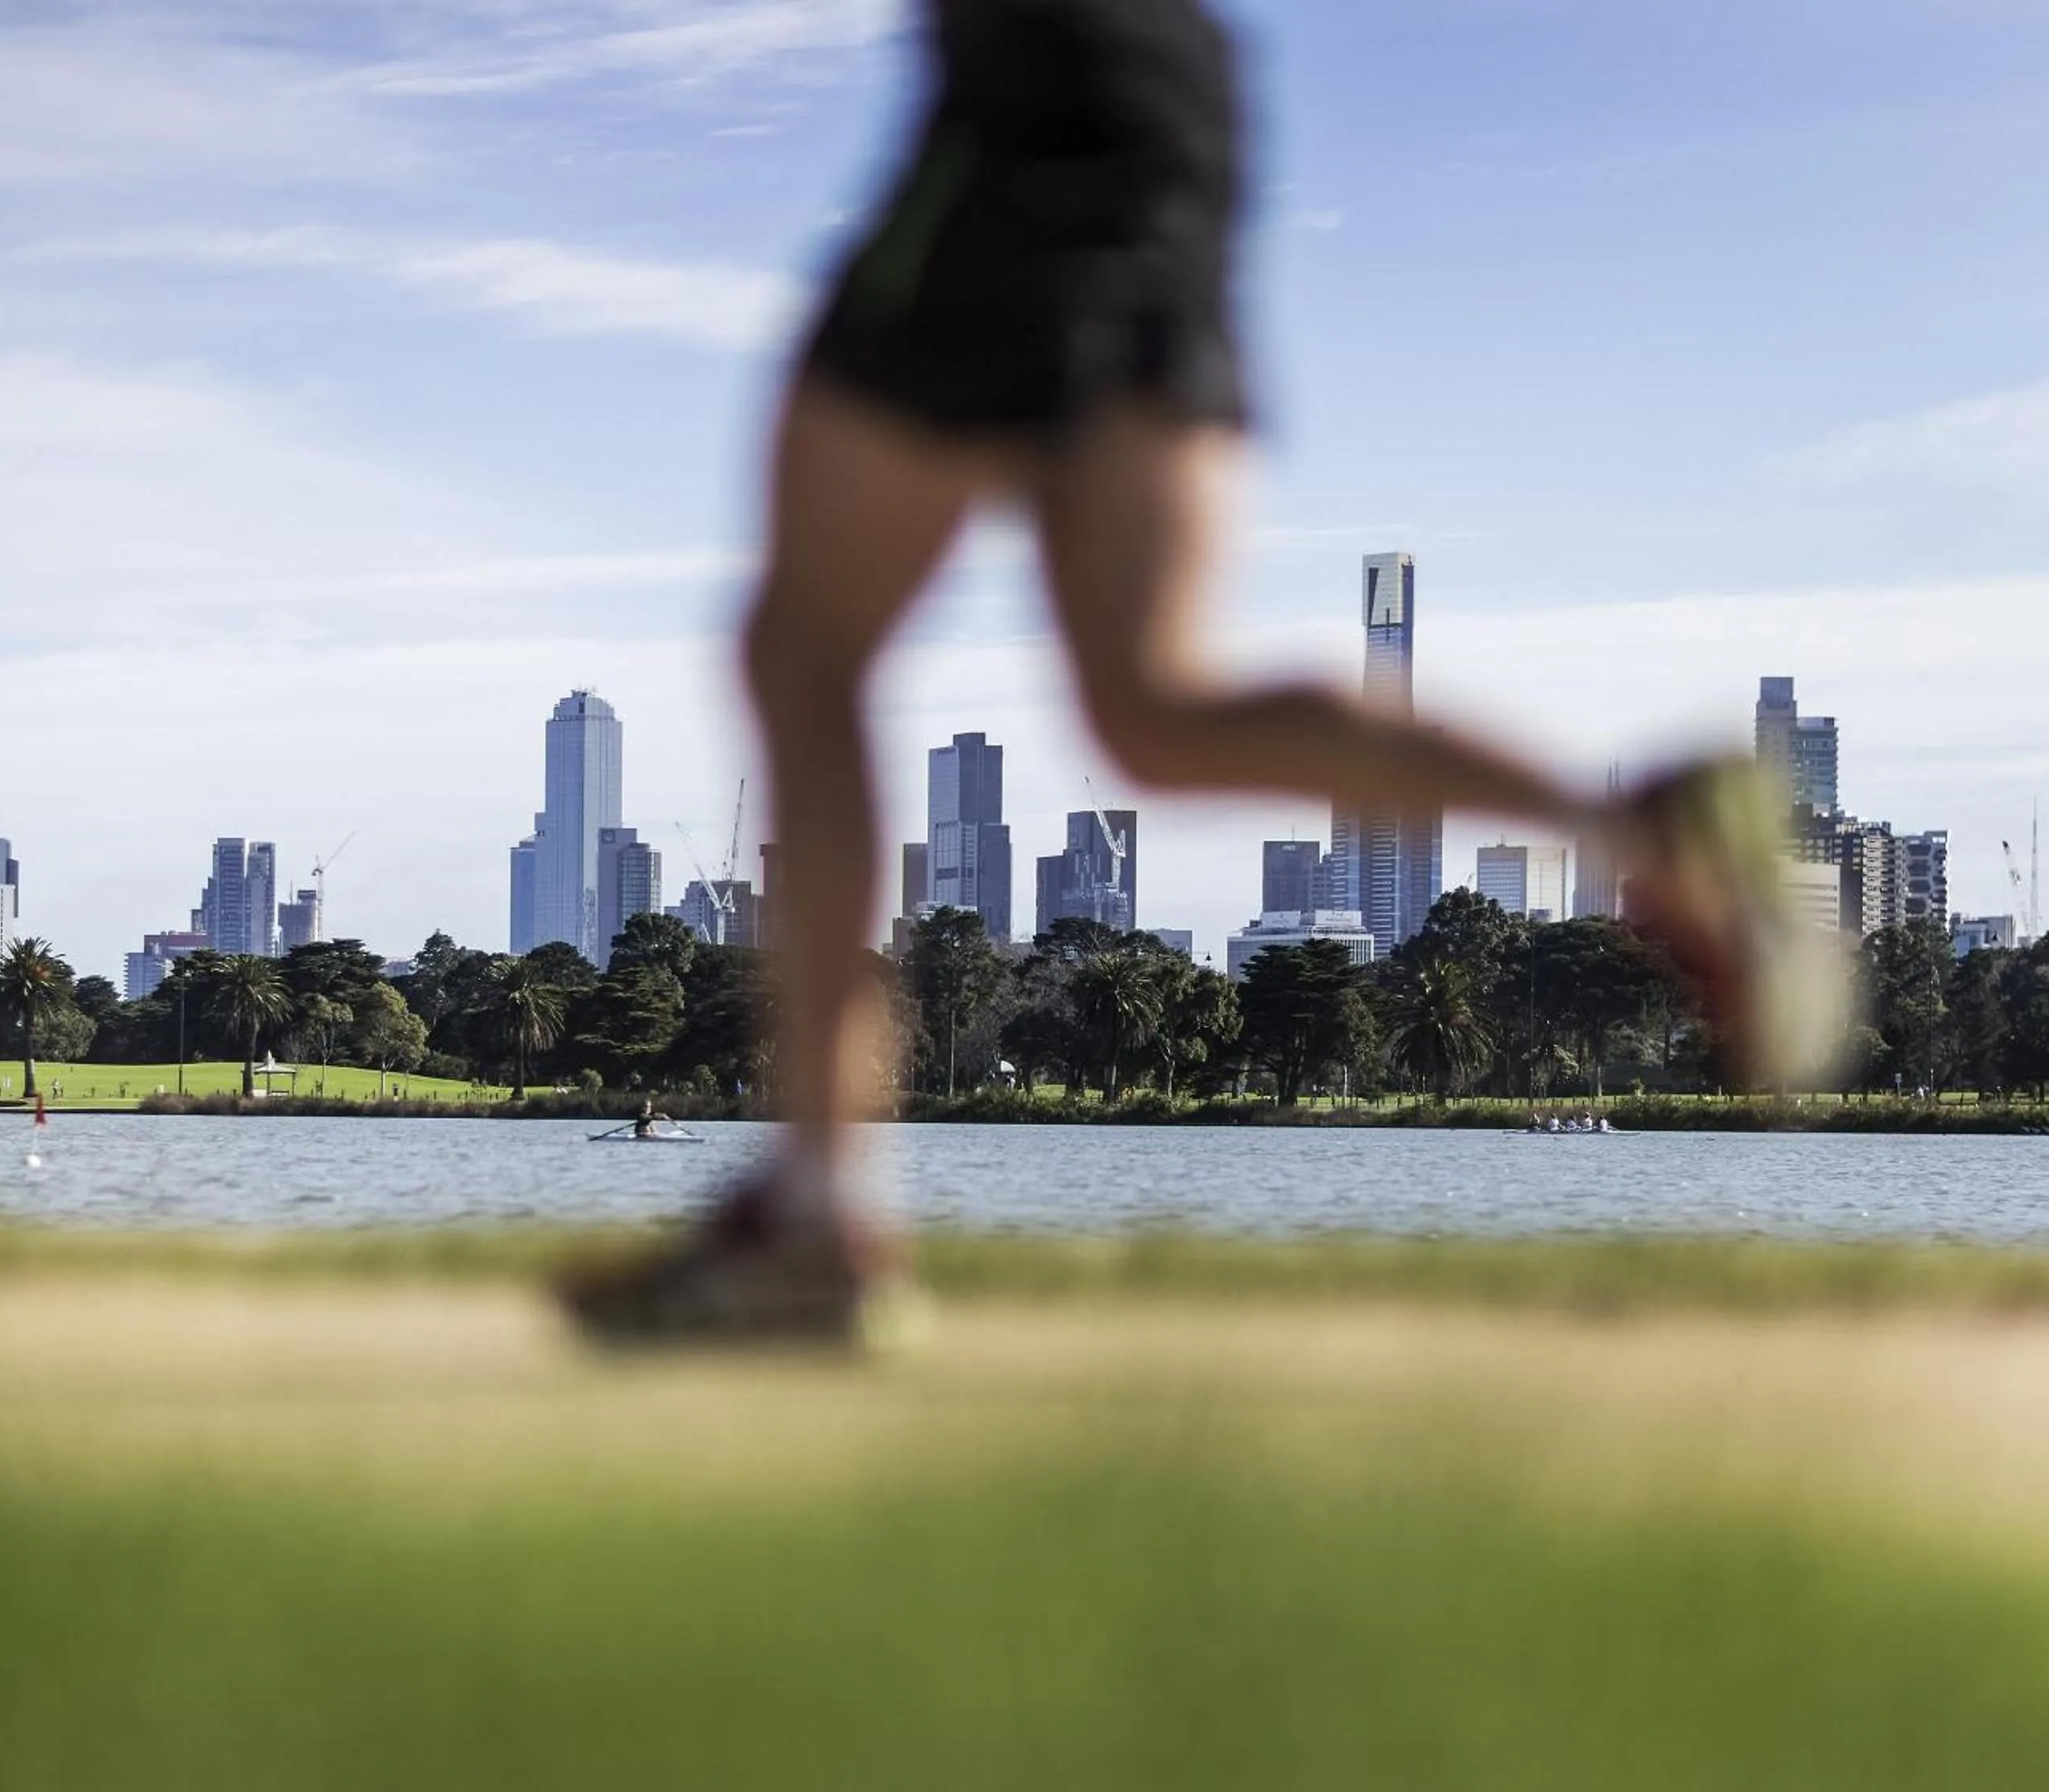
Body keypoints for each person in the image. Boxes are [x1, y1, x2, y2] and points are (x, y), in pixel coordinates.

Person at [562, 0, 1840, 1343]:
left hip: (1035, 92)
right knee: (1152, 706)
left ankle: (818, 1212)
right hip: (1181, 107)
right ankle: (1638, 823)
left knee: (806, 651)